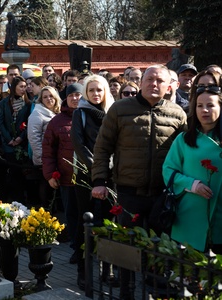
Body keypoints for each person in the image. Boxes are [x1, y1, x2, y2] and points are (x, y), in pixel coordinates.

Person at [91, 65, 188, 299]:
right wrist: (99, 180)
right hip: (129, 193)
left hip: (162, 195)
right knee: (127, 247)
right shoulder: (120, 109)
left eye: (159, 80)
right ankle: (126, 291)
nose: (154, 84)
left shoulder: (177, 114)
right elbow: (103, 146)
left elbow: (186, 153)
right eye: (149, 79)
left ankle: (155, 292)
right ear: (141, 82)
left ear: (169, 86)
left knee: (159, 248)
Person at [162, 70, 222, 254]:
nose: (204, 110)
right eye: (199, 105)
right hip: (189, 214)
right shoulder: (184, 139)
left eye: (210, 106)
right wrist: (191, 184)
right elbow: (168, 170)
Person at [71, 75, 115, 290]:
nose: (96, 94)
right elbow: (79, 144)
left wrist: (110, 171)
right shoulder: (80, 113)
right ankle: (84, 270)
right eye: (91, 90)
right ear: (86, 93)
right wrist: (98, 169)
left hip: (112, 175)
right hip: (86, 175)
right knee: (85, 222)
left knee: (109, 222)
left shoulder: (113, 113)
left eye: (100, 90)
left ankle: (107, 270)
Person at [42, 83, 81, 264]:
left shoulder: (92, 116)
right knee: (72, 215)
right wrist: (50, 174)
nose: (75, 98)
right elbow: (48, 150)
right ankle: (76, 248)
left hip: (90, 178)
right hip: (67, 178)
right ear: (65, 98)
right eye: (71, 95)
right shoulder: (56, 121)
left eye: (78, 95)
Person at [0, 75, 31, 203]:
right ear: (14, 87)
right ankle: (10, 199)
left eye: (25, 87)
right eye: (21, 87)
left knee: (21, 173)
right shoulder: (4, 103)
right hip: (8, 144)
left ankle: (21, 200)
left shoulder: (28, 104)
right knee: (11, 172)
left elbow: (29, 122)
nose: (24, 89)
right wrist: (9, 139)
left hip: (22, 143)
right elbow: (0, 123)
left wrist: (20, 138)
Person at [27, 86, 61, 208]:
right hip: (44, 157)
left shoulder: (57, 112)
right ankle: (46, 212)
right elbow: (33, 138)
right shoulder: (37, 114)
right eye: (45, 97)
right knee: (46, 185)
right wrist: (42, 158)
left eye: (51, 96)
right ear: (41, 100)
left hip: (57, 156)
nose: (48, 99)